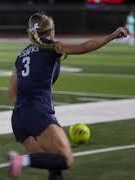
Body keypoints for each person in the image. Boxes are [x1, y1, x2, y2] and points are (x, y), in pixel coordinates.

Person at [7, 12, 128, 180]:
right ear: (51, 30)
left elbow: (11, 92)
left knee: (53, 166)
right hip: (38, 113)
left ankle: (24, 160)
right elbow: (86, 46)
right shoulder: (51, 47)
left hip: (18, 118)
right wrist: (112, 36)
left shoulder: (20, 56)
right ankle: (21, 160)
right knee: (65, 159)